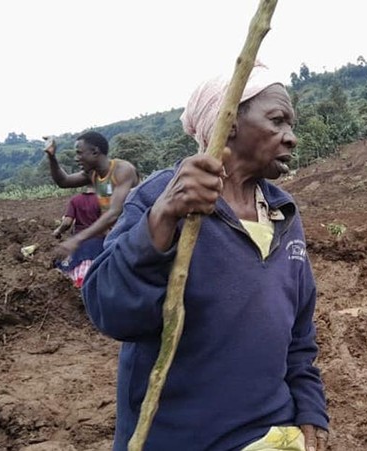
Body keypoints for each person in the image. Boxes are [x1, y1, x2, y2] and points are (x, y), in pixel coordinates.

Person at [81, 64, 329, 451]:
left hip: (272, 433)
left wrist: (310, 407)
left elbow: (299, 332)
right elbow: (109, 310)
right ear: (228, 122)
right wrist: (162, 218)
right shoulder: (162, 196)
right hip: (182, 439)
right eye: (277, 121)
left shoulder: (283, 212)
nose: (291, 138)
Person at [43, 131, 138, 259]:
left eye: (79, 153)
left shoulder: (122, 170)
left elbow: (114, 213)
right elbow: (63, 181)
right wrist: (51, 157)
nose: (76, 158)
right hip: (113, 239)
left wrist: (77, 239)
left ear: (94, 152)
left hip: (134, 239)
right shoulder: (92, 174)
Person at [53, 187, 103, 288]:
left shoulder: (75, 200)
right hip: (99, 242)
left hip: (79, 242)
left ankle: (78, 283)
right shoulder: (104, 200)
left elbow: (67, 222)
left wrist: (58, 231)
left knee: (68, 265)